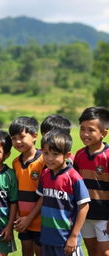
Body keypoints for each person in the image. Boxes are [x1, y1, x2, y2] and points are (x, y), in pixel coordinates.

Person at [37, 129, 90, 256]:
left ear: (67, 155)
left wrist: (74, 236)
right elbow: (42, 199)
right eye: (46, 153)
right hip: (48, 237)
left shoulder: (73, 177)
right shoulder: (44, 175)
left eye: (55, 154)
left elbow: (84, 206)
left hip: (67, 240)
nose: (49, 158)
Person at [74, 106, 109, 256]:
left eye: (91, 130)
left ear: (103, 133)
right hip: (86, 216)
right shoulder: (80, 155)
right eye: (82, 129)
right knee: (93, 252)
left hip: (104, 217)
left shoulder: (107, 156)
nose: (85, 134)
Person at [9, 116, 45, 256]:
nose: (17, 141)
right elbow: (16, 191)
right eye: (13, 138)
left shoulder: (44, 160)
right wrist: (18, 215)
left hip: (40, 220)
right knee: (26, 251)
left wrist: (29, 218)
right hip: (22, 221)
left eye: (21, 137)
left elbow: (45, 194)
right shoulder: (15, 162)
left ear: (34, 136)